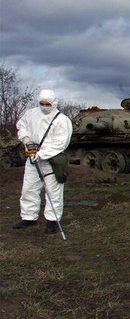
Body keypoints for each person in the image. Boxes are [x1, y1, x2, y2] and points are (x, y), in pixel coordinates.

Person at [13, 89, 73, 234]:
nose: (45, 106)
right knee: (29, 188)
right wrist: (26, 139)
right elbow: (21, 126)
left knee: (53, 191)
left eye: (48, 104)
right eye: (42, 103)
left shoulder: (62, 120)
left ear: (54, 103)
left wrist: (42, 154)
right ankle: (29, 216)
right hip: (32, 159)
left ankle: (52, 220)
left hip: (51, 160)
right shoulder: (31, 114)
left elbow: (61, 143)